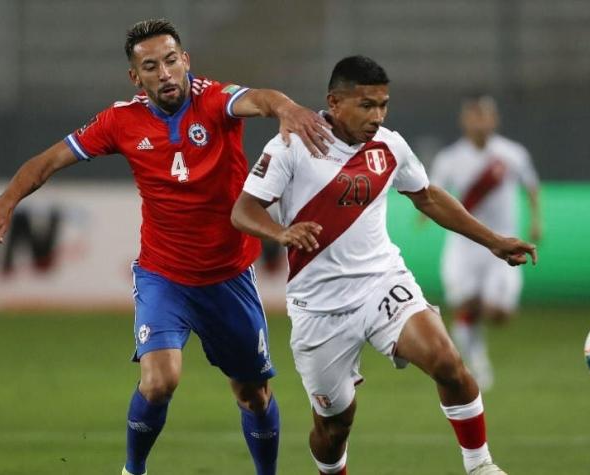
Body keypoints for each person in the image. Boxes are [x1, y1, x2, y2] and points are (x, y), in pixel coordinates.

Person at [0, 19, 333, 475]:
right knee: (160, 381)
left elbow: (259, 98)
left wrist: (287, 108)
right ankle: (132, 471)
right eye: (151, 66)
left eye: (171, 60)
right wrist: (6, 201)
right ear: (135, 77)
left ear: (186, 62)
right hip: (164, 276)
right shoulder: (120, 121)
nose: (165, 73)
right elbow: (47, 161)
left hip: (228, 277)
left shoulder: (215, 101)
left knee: (253, 395)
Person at [231, 56, 536, 475]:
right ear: (334, 103)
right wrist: (281, 233)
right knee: (334, 424)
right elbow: (243, 211)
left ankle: (480, 465)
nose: (377, 116)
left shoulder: (390, 146)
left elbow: (427, 196)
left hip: (381, 283)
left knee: (447, 362)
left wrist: (494, 241)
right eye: (366, 105)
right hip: (319, 308)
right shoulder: (291, 145)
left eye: (383, 105)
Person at [428, 94, 542, 391]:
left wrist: (536, 221)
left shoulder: (512, 154)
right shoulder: (450, 158)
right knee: (464, 304)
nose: (480, 121)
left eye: (485, 115)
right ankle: (477, 362)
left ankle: (473, 318)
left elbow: (531, 186)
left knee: (499, 313)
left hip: (504, 245)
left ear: (495, 119)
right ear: (464, 120)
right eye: (474, 115)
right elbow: (432, 193)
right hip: (464, 246)